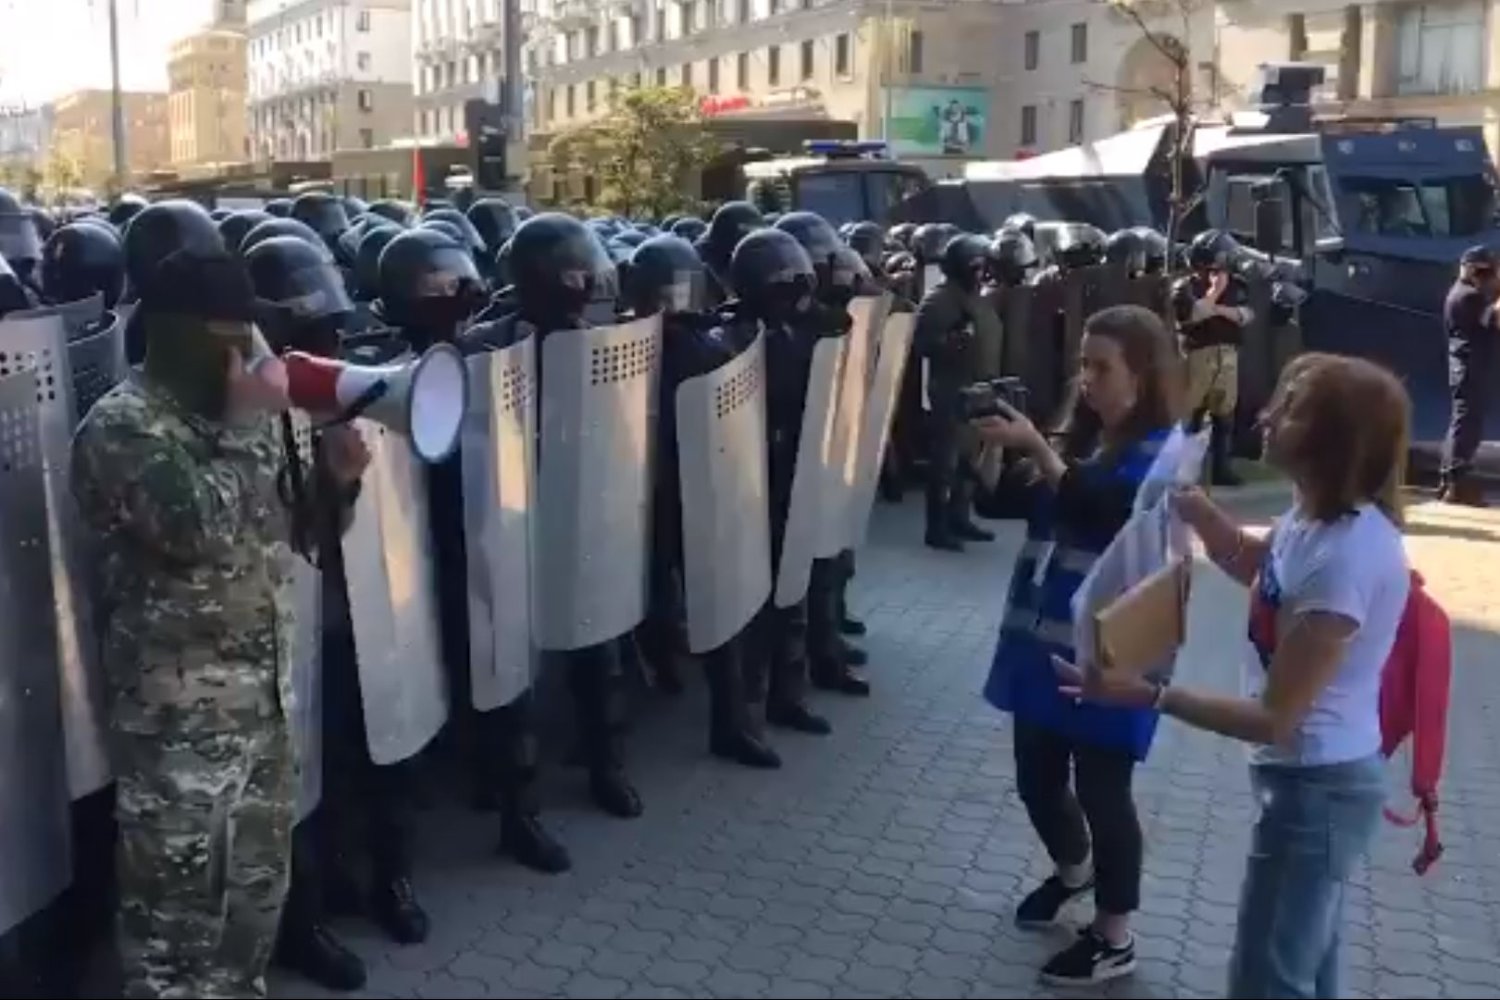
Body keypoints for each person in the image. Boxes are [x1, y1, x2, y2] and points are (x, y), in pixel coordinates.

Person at [1058, 352, 1412, 1000]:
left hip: (1317, 790)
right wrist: (1199, 514)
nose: (1266, 416)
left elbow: (1275, 720)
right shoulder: (1312, 517)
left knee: (1267, 979)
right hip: (1307, 786)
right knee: (1305, 968)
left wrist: (1151, 694)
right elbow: (1261, 568)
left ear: (1332, 441)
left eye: (1290, 409)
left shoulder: (1346, 560)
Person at [71, 247, 369, 999]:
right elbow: (194, 528)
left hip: (262, 713)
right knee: (173, 932)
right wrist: (244, 424)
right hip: (175, 730)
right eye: (234, 335)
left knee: (249, 918)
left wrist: (339, 482)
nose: (251, 352)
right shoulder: (124, 427)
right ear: (185, 338)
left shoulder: (255, 417)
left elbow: (304, 535)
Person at [974, 304, 1182, 987]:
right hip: (1044, 648)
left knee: (1103, 791)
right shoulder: (1083, 438)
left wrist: (1039, 449)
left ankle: (1114, 936)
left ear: (1142, 375)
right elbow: (1005, 504)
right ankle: (1075, 871)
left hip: (1116, 655)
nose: (1087, 379)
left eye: (1103, 367)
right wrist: (994, 448)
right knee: (1035, 778)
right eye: (1083, 365)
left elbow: (1104, 511)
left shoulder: (1165, 454)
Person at [915, 232, 1000, 551]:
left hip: (979, 387)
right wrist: (952, 341)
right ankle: (936, 527)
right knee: (945, 462)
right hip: (951, 389)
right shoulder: (939, 300)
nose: (981, 272)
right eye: (975, 266)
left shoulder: (977, 297)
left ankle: (960, 517)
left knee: (968, 459)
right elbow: (923, 344)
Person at [1175, 229, 1252, 487]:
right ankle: (1186, 472)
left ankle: (1222, 469)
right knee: (1191, 415)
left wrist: (1216, 309)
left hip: (1227, 353)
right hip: (1198, 353)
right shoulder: (1185, 287)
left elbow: (1245, 315)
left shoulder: (1237, 284)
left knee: (1224, 414)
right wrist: (1214, 293)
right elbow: (1191, 316)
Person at [1440, 245, 1498, 505]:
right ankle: (1456, 483)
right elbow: (1495, 319)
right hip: (1469, 367)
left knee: (1462, 422)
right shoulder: (1468, 297)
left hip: (1465, 367)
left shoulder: (1461, 292)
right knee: (1467, 424)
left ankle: (1449, 481)